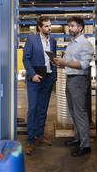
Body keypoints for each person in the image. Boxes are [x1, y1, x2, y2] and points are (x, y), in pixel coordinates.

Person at [53, 16, 94, 157]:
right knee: (73, 111)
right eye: (69, 26)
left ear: (80, 28)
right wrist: (59, 62)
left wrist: (65, 63)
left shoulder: (85, 44)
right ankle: (78, 138)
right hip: (70, 79)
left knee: (80, 113)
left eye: (72, 26)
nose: (70, 28)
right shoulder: (71, 44)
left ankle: (85, 145)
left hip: (79, 80)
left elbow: (83, 64)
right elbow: (68, 62)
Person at [22, 16, 57, 155]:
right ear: (40, 27)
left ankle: (39, 134)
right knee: (33, 109)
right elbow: (26, 58)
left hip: (48, 78)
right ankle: (31, 140)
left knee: (43, 108)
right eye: (47, 26)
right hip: (35, 79)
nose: (49, 28)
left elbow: (53, 59)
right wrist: (32, 75)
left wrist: (54, 75)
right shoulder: (32, 39)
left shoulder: (53, 41)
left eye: (50, 25)